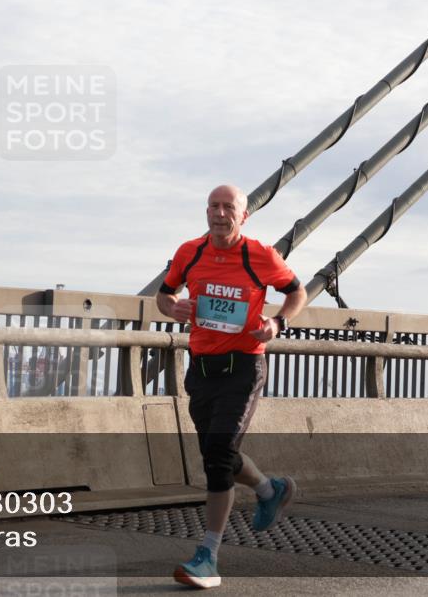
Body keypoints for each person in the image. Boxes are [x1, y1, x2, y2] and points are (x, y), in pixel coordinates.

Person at [156, 184, 307, 589]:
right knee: (216, 454)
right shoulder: (190, 252)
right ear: (206, 211)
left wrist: (277, 323)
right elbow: (164, 294)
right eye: (213, 206)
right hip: (201, 367)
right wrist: (174, 308)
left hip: (244, 365)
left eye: (229, 207)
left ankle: (207, 555)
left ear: (244, 216)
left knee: (219, 455)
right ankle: (268, 488)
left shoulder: (260, 255)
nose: (220, 213)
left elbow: (297, 291)